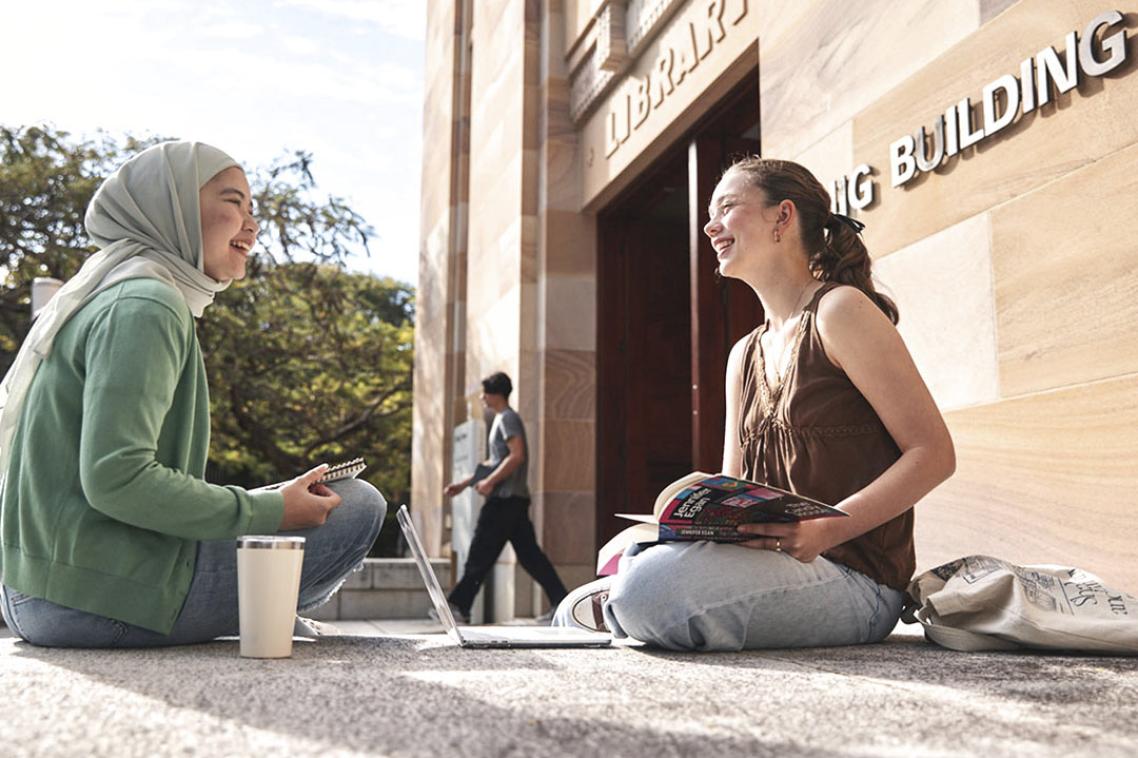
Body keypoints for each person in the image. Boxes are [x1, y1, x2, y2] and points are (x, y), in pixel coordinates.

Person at [555, 156, 955, 650]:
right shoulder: (743, 354)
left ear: (781, 217)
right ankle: (631, 596)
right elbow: (735, 491)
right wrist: (675, 527)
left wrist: (828, 528)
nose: (709, 225)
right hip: (771, 567)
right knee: (614, 579)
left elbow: (933, 454)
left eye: (726, 207)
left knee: (645, 590)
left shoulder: (841, 311)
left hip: (857, 581)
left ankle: (630, 600)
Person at [0, 141, 387, 647]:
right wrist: (266, 512)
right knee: (357, 505)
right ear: (173, 208)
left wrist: (264, 501)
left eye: (253, 209)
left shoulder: (121, 292)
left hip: (49, 589)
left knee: (301, 503)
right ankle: (254, 610)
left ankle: (252, 607)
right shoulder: (147, 303)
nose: (251, 225)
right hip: (92, 600)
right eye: (233, 202)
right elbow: (117, 480)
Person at [440, 372, 568, 623]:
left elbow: (516, 455)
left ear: (495, 394)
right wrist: (465, 484)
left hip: (505, 501)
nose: (481, 398)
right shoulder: (502, 419)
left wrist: (490, 482)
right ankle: (562, 603)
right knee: (531, 557)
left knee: (480, 552)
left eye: (484, 393)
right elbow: (493, 461)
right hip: (513, 501)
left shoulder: (508, 418)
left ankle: (458, 606)